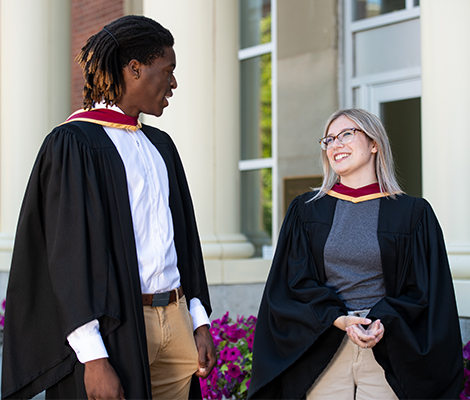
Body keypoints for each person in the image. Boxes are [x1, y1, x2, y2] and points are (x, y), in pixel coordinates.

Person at [1, 15, 216, 400]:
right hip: (117, 331)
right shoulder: (74, 144)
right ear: (134, 69)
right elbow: (67, 260)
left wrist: (199, 322)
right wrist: (93, 358)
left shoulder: (160, 146)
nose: (174, 83)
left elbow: (184, 241)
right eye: (167, 70)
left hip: (176, 322)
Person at [247, 108, 463, 399]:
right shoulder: (307, 211)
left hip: (387, 349)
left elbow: (425, 290)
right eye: (329, 139)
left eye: (347, 134)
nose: (336, 144)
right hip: (324, 347)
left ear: (374, 143)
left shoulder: (412, 214)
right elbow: (294, 282)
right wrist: (339, 319)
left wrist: (381, 319)